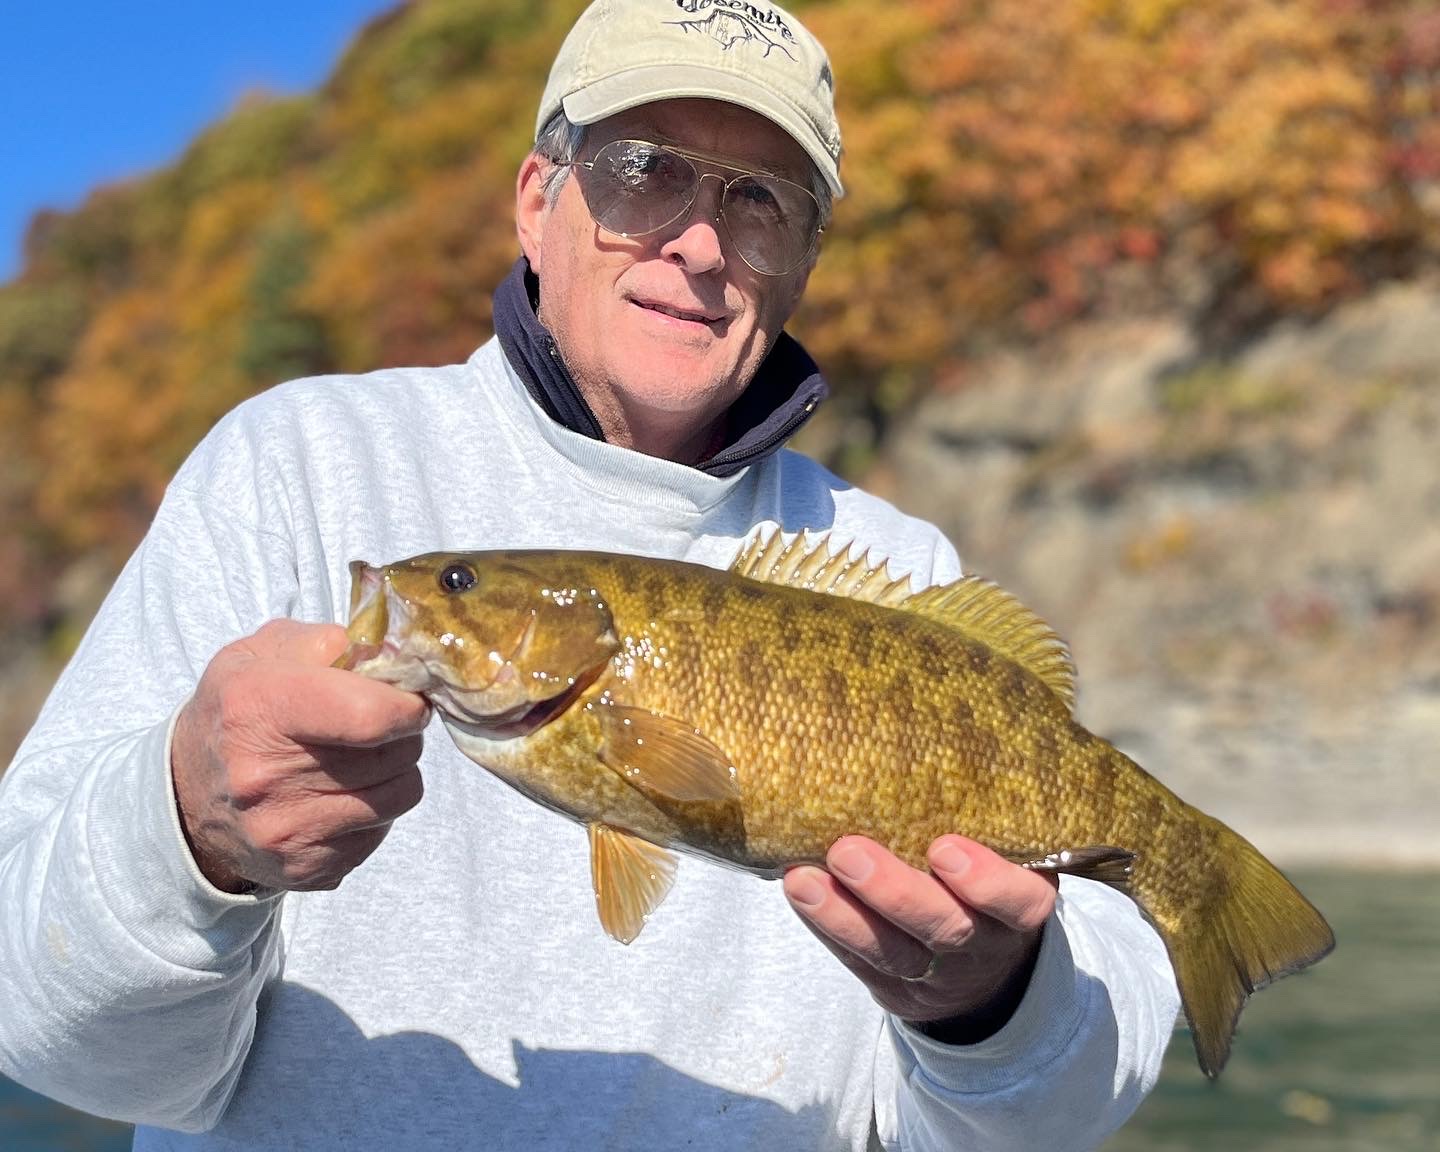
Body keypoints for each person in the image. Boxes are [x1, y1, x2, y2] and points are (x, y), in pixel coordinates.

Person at [0, 1, 1178, 1148]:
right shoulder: (296, 465)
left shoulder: (897, 569)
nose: (700, 244)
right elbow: (45, 1036)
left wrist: (986, 1006)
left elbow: (1031, 1120)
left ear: (805, 260)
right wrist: (187, 833)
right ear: (535, 200)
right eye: (643, 169)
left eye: (761, 201)